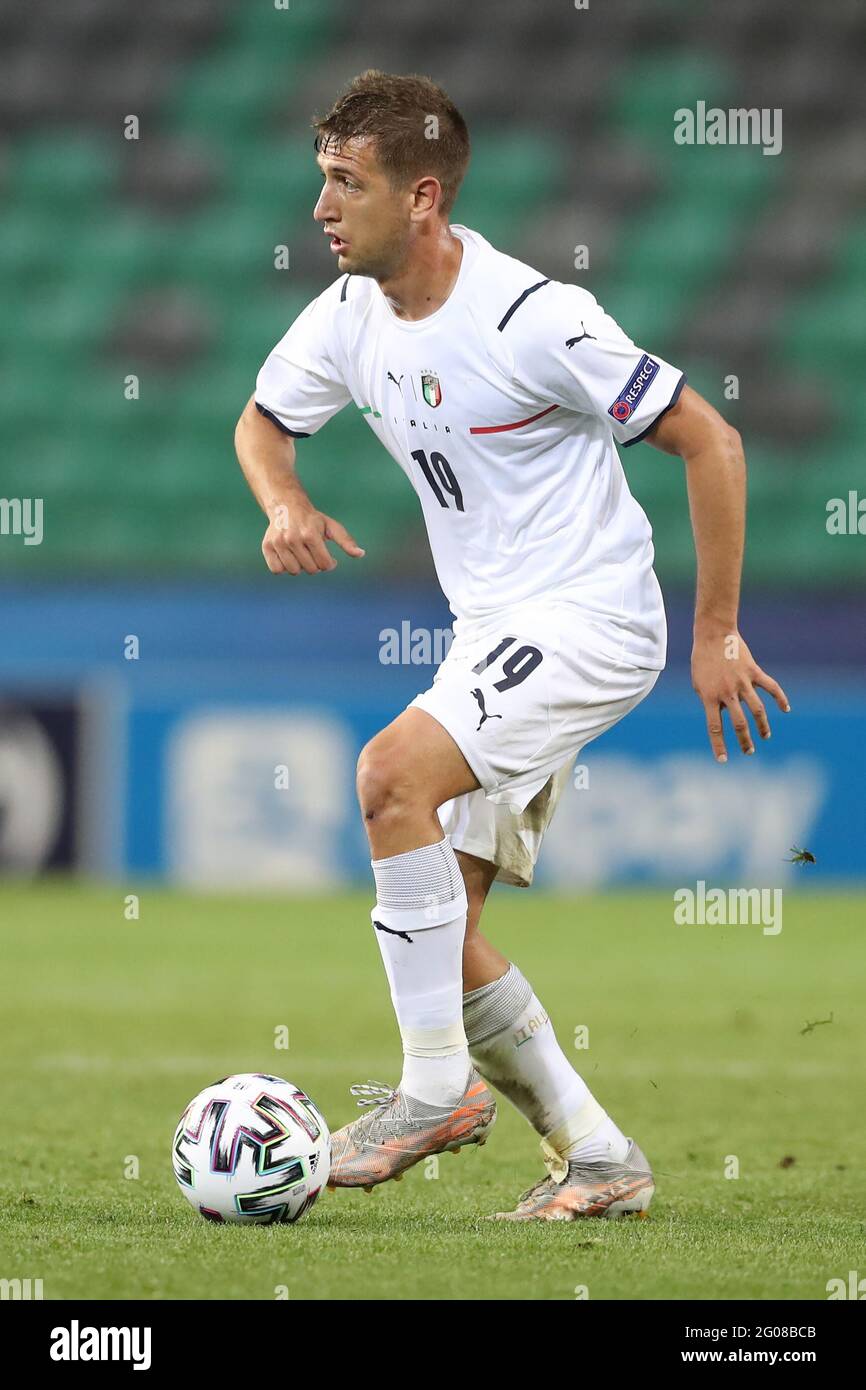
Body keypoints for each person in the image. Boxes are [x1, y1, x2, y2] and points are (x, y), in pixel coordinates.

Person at [234, 70, 789, 1221]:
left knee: (387, 777)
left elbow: (710, 439)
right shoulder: (347, 314)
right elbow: (261, 422)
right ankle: (597, 1157)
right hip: (489, 631)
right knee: (451, 926)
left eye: (347, 184)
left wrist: (717, 630)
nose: (321, 210)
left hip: (587, 617)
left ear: (422, 196)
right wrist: (282, 500)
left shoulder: (537, 318)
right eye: (321, 180)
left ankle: (433, 1091)